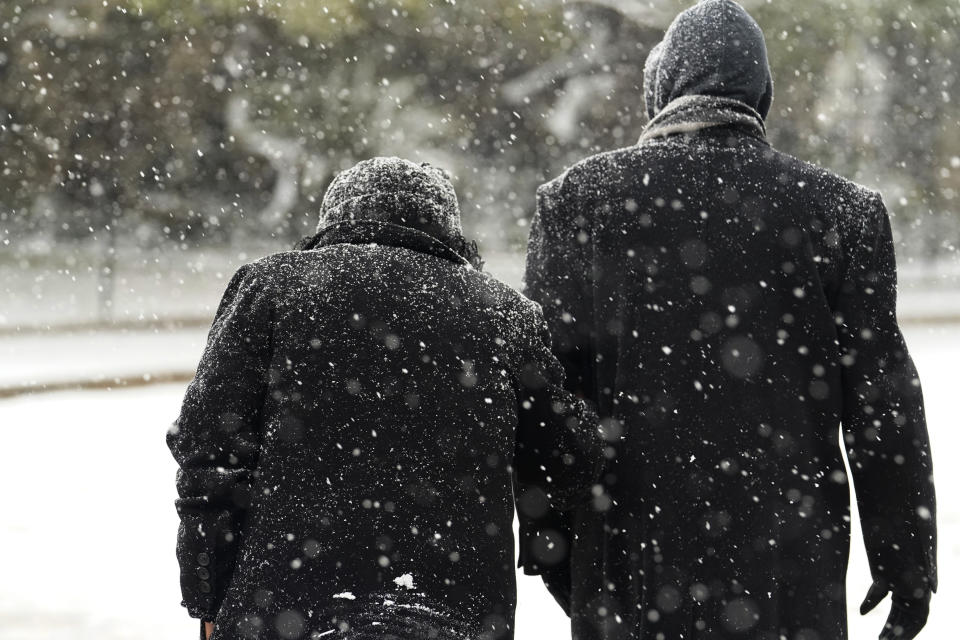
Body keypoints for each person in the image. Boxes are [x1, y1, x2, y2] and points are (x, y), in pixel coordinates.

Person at [520, 1, 937, 639]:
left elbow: (547, 394)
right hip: (787, 564)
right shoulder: (841, 214)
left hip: (629, 554)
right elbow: (882, 399)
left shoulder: (578, 203)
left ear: (660, 88)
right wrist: (906, 556)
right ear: (761, 94)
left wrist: (552, 542)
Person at [167, 157, 605, 640]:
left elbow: (209, 455)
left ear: (333, 221)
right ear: (449, 232)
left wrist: (207, 595)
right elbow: (567, 462)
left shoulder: (272, 289)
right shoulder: (504, 314)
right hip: (452, 613)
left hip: (283, 610)